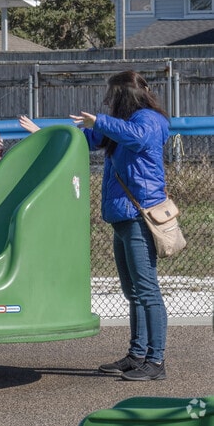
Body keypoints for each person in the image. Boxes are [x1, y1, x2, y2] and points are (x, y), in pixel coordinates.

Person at [68, 70, 170, 381]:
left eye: (113, 96)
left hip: (140, 215)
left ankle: (156, 362)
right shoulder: (122, 126)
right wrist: (46, 133)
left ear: (125, 97)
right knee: (133, 291)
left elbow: (137, 137)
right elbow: (88, 139)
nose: (108, 101)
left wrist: (99, 121)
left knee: (147, 289)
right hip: (123, 216)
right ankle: (137, 354)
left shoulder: (149, 121)